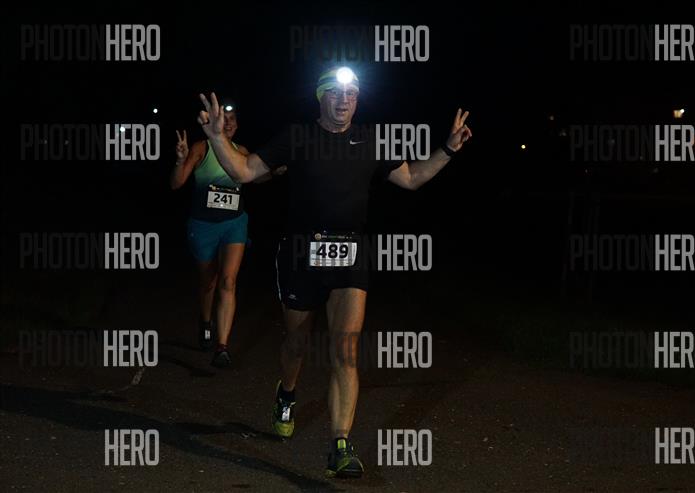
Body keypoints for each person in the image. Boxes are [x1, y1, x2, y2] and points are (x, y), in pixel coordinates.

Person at [196, 67, 471, 477]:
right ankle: (287, 392)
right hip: (300, 254)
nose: (345, 101)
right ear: (320, 96)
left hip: (351, 254)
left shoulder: (371, 141)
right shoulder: (297, 136)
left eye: (352, 94)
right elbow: (244, 172)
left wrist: (447, 149)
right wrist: (218, 137)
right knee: (296, 343)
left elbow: (413, 178)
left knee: (346, 350)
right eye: (337, 93)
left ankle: (340, 446)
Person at [170, 104, 252, 368]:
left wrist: (275, 169)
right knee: (209, 282)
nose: (228, 123)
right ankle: (205, 321)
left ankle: (222, 347)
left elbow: (256, 176)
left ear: (237, 124)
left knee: (228, 281)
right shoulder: (201, 148)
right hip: (203, 226)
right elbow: (176, 183)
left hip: (234, 224)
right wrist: (181, 160)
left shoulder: (242, 152)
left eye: (232, 119)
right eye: (223, 118)